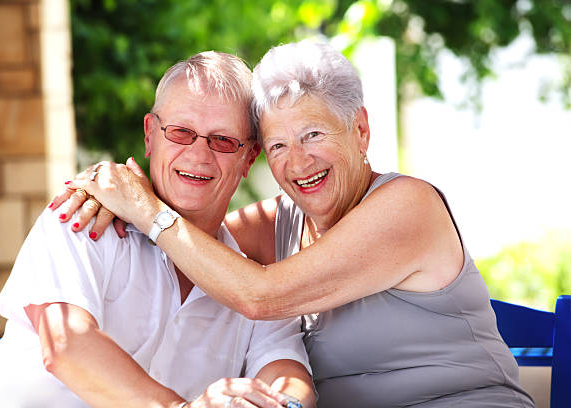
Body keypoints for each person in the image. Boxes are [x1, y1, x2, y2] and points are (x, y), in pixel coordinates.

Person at [54, 41, 534, 407]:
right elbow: (191, 236)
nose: (298, 162)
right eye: (279, 145)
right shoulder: (276, 225)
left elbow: (260, 295)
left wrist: (145, 209)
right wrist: (104, 196)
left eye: (313, 134)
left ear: (360, 130)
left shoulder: (409, 206)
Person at [0, 51, 315, 408]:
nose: (199, 155)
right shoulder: (84, 214)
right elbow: (66, 345)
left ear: (248, 158)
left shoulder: (247, 285)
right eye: (181, 132)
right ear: (149, 135)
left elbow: (288, 376)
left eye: (222, 140)